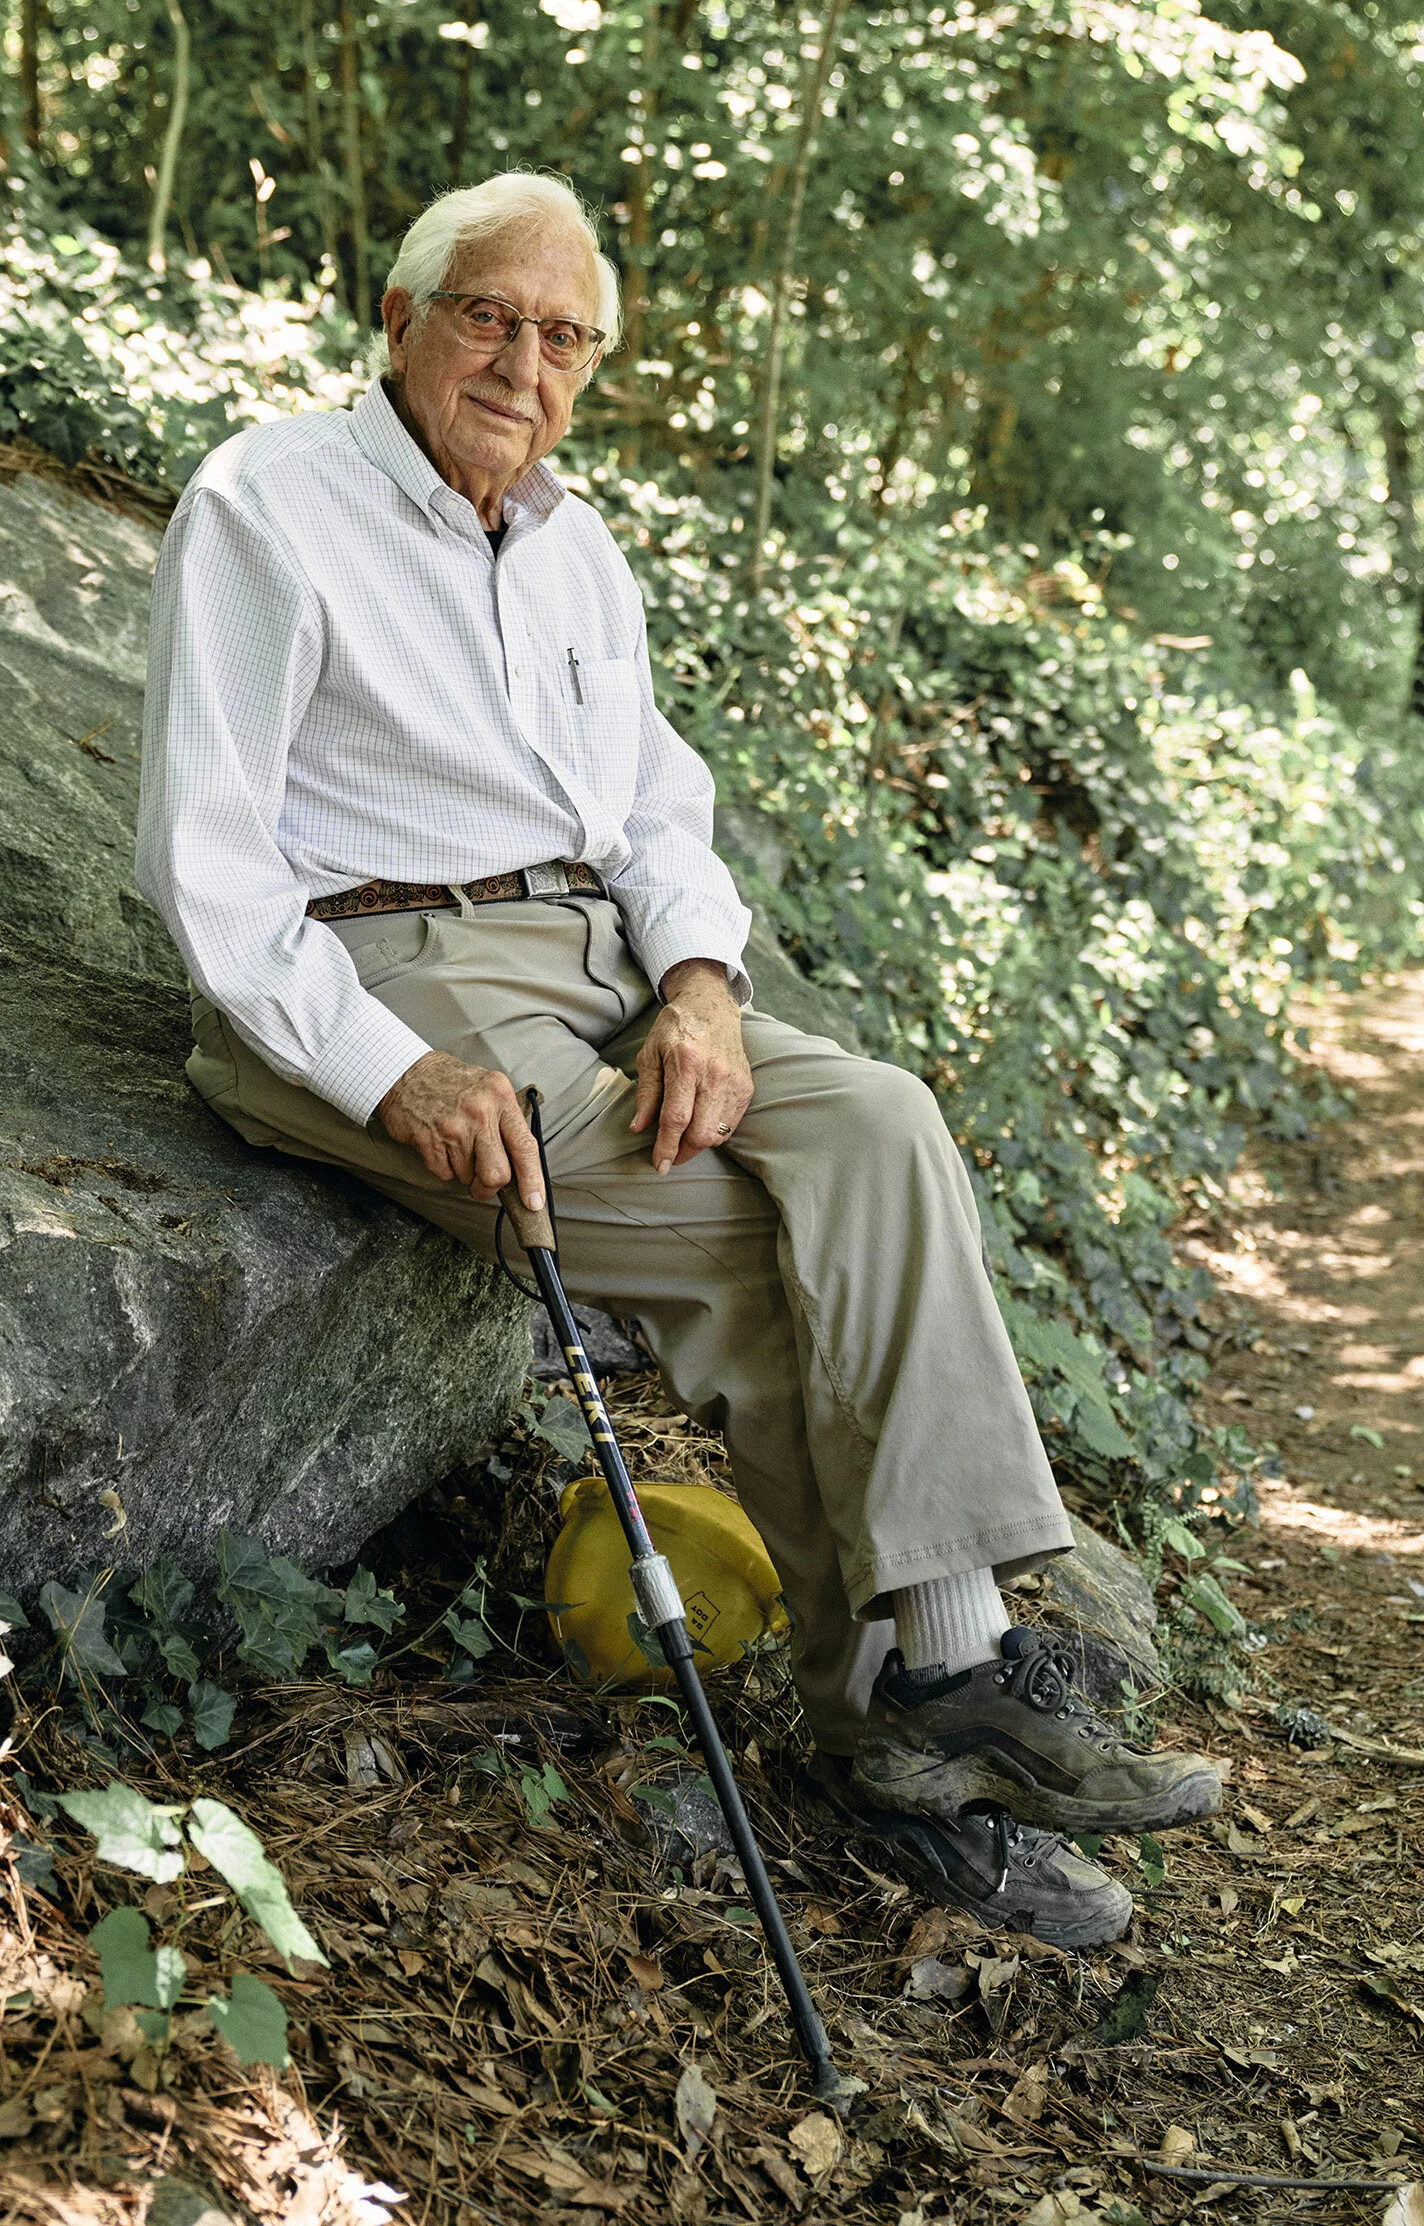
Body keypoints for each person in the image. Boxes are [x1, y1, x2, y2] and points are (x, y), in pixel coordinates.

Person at [136, 171, 1218, 1947]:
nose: (524, 360)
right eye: (491, 313)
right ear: (400, 319)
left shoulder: (574, 544)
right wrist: (386, 1071)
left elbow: (652, 810)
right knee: (778, 1263)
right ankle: (912, 1718)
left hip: (596, 964)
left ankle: (938, 1701)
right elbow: (213, 857)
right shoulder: (269, 502)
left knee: (878, 1129)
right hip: (377, 968)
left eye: (564, 338)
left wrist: (704, 991)